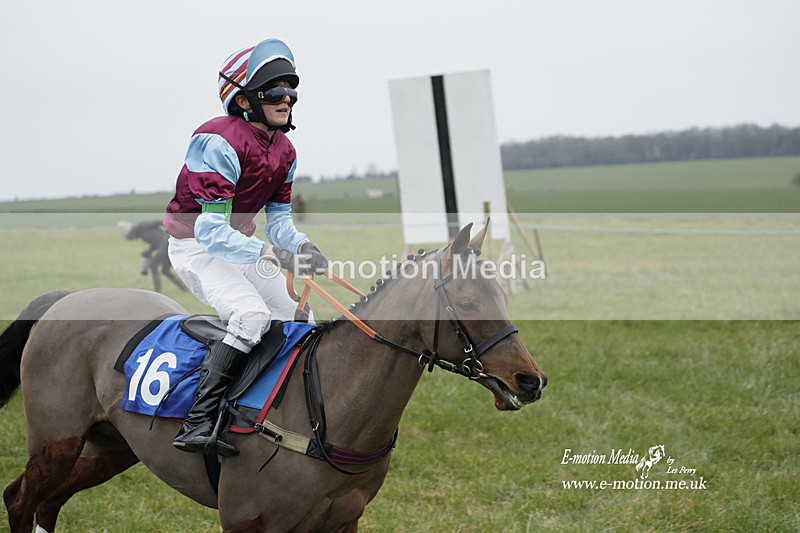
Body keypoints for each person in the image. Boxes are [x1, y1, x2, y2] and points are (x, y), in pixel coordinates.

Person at [163, 38, 327, 457]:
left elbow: (282, 224)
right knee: (252, 316)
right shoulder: (217, 141)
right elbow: (211, 233)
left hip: (241, 246)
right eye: (274, 92)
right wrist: (267, 254)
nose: (286, 98)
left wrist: (304, 247)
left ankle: (278, 411)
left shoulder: (285, 150)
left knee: (298, 318)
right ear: (245, 100)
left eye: (291, 91)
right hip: (196, 248)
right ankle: (199, 420)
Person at [117, 220, 187, 293]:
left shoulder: (142, 225)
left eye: (128, 237)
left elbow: (161, 222)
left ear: (129, 232)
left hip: (166, 243)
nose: (129, 239)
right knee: (165, 271)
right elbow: (155, 239)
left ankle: (157, 292)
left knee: (153, 266)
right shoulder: (140, 233)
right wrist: (149, 251)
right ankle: (185, 290)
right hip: (165, 244)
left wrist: (172, 233)